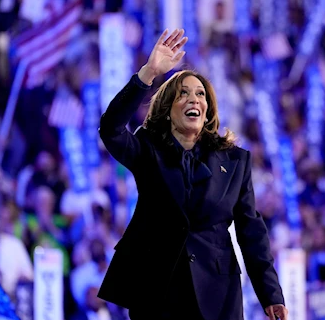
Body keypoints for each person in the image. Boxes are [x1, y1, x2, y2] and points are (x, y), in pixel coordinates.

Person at [97, 29, 288, 320]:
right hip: (156, 293)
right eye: (182, 94)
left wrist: (271, 294)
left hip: (218, 295)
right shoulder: (147, 150)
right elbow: (110, 129)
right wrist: (147, 74)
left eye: (200, 94)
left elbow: (252, 233)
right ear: (167, 109)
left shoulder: (236, 162)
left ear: (208, 109)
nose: (193, 99)